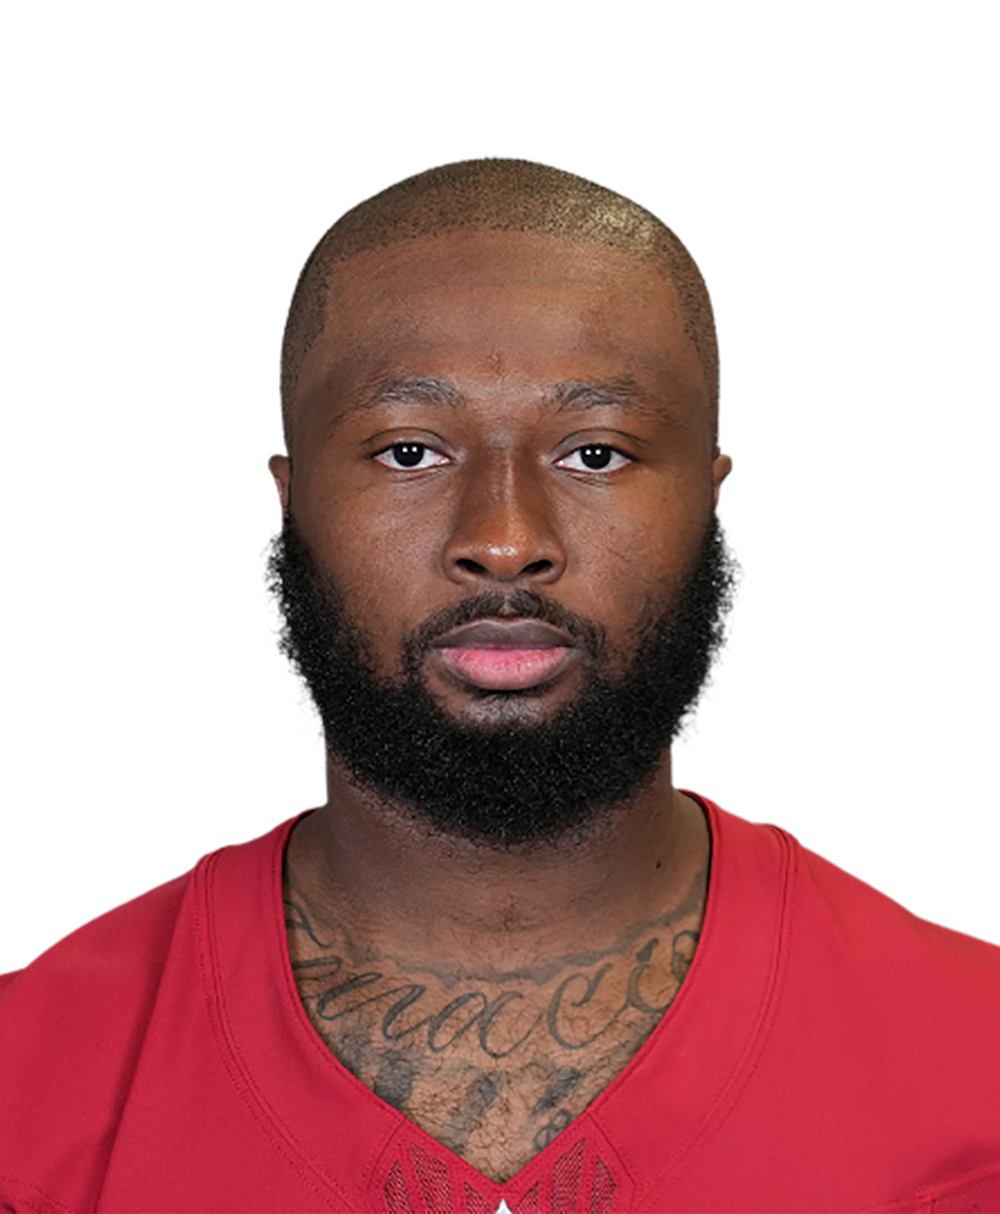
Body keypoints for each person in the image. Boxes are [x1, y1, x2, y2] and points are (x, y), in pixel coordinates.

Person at [1, 157, 999, 1214]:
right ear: (290, 499)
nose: (505, 539)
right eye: (410, 450)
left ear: (709, 505)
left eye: (597, 454)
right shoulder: (31, 1088)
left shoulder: (973, 1068)